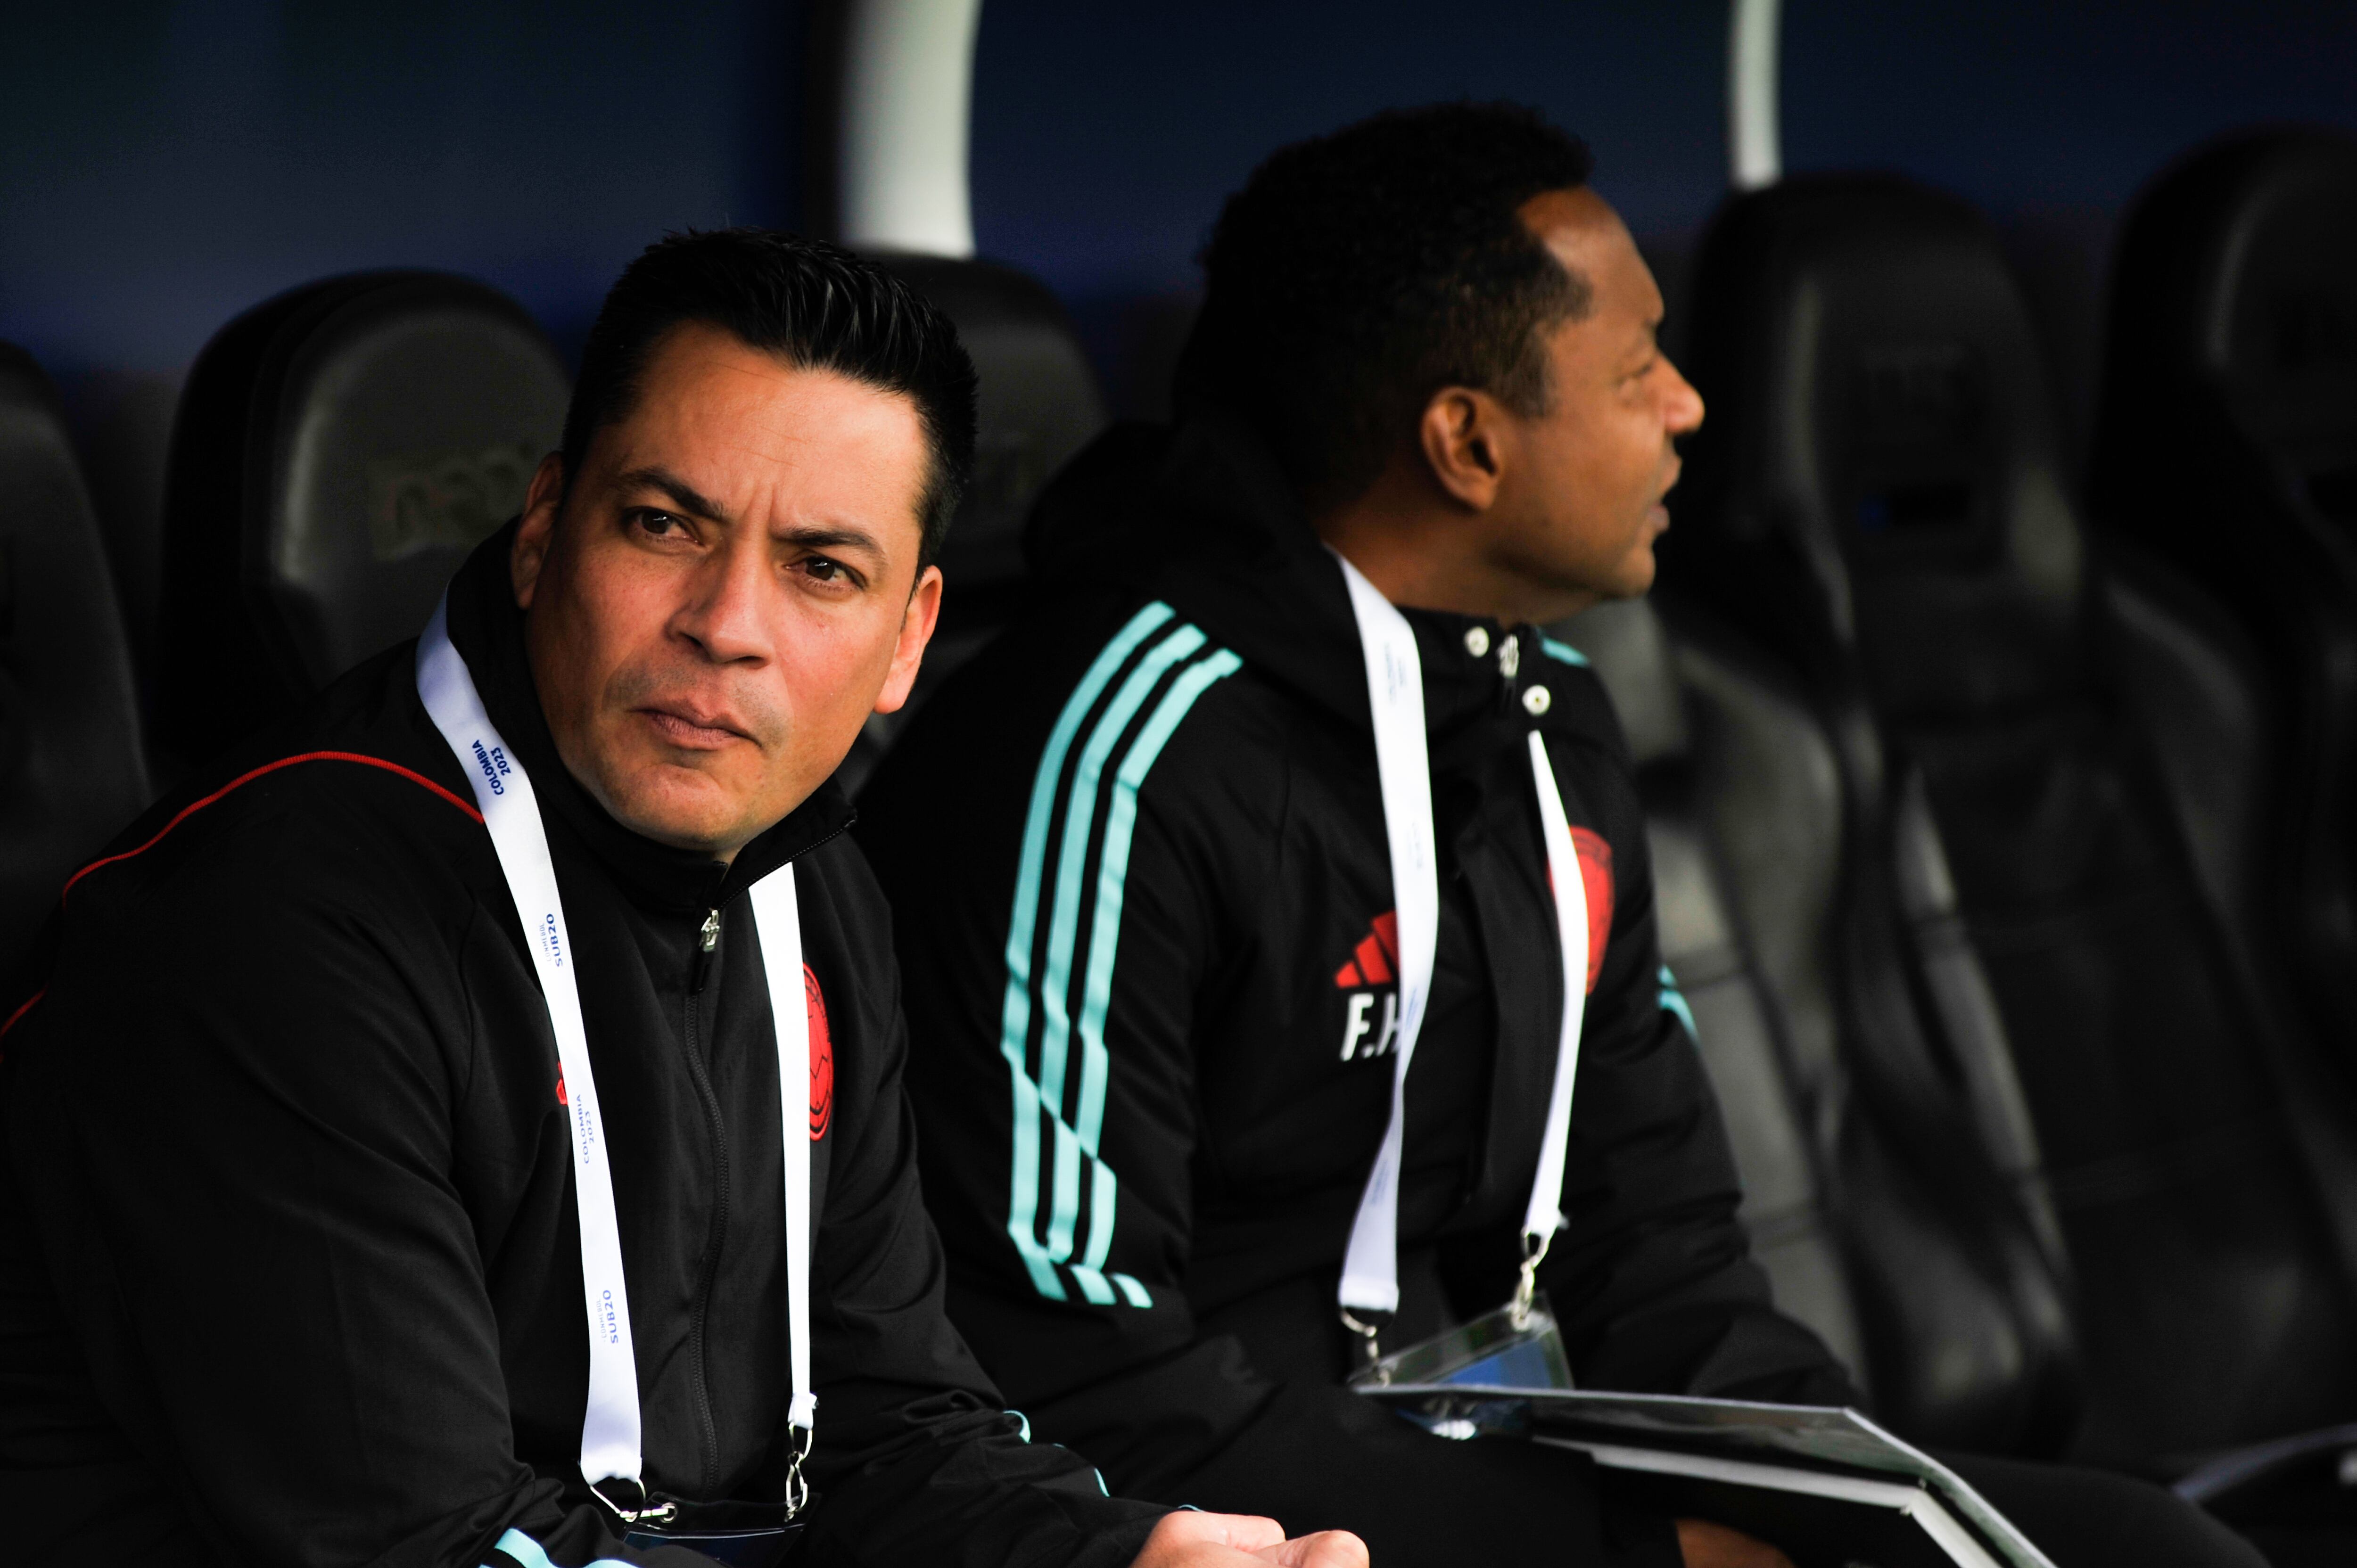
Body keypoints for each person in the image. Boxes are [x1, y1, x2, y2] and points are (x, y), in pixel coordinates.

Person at [856, 106, 2272, 1568]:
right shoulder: (1114, 754)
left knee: (2146, 1551)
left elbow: (1661, 1246)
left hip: (1487, 1464)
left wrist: (1852, 1507)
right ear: (1468, 442)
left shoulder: (1553, 724)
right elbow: (1079, 1389)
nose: (1688, 407)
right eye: (1637, 368)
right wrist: (1645, 1557)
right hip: (1216, 1524)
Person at [0, 230, 1366, 1568]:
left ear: (909, 638)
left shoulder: (810, 880)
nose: (727, 624)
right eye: (664, 525)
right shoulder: (280, 926)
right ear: (544, 532)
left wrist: (1124, 1554)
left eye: (822, 569)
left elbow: (884, 1424)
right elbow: (424, 1538)